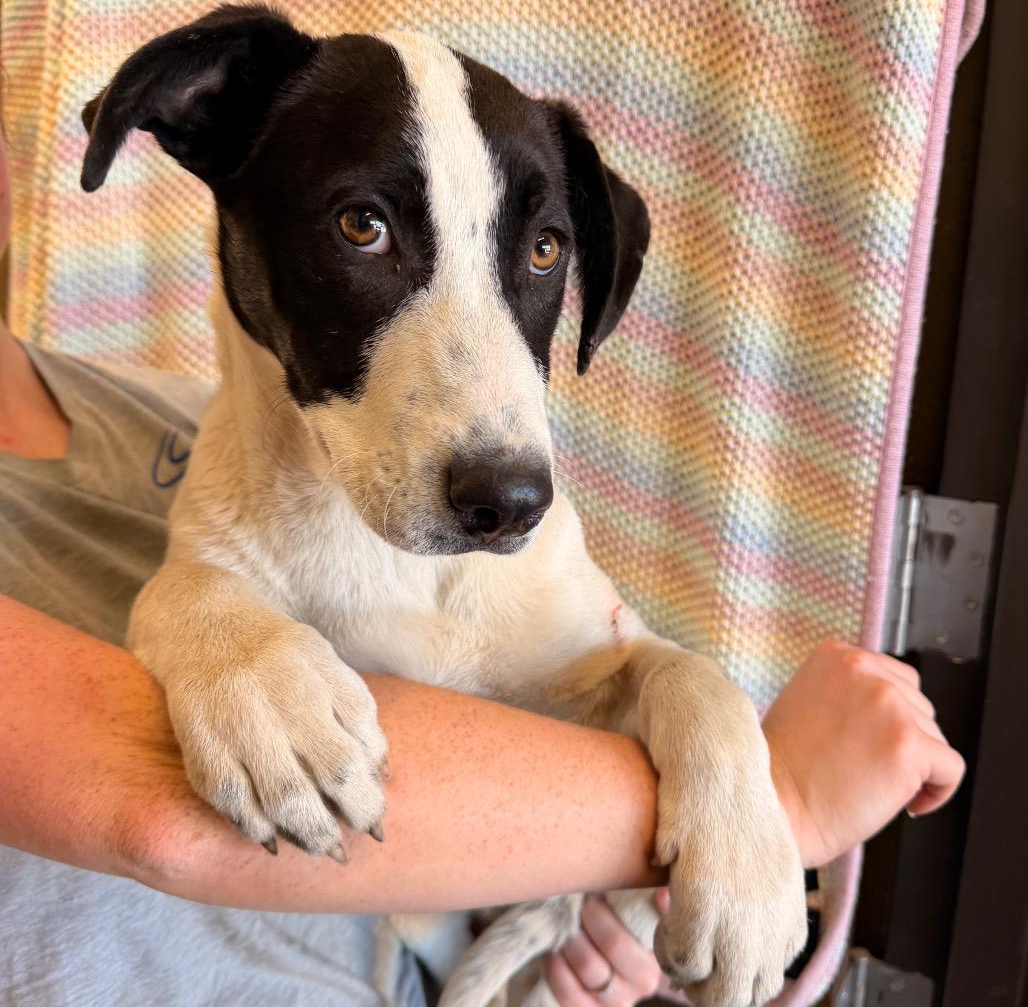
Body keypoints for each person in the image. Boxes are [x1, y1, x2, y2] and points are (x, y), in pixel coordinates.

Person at [0, 111, 965, 1005]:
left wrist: (594, 901)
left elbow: (614, 678)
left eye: (541, 250)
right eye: (365, 225)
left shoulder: (168, 408)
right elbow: (156, 803)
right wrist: (779, 803)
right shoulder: (239, 485)